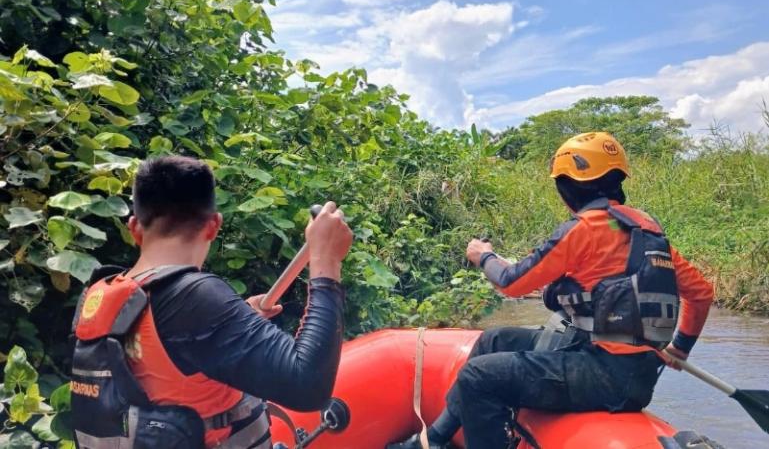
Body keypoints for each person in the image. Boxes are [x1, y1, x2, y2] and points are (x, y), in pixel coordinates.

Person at [389, 132, 714, 449]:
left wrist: (483, 256)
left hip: (606, 375)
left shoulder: (584, 229)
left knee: (478, 375)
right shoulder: (647, 230)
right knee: (493, 340)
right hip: (632, 372)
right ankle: (435, 439)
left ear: (566, 188)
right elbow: (700, 293)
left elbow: (511, 283)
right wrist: (680, 347)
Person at [70, 156, 353, 448]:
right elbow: (308, 387)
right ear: (213, 226)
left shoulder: (102, 296)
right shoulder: (194, 299)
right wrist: (326, 260)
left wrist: (237, 317)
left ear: (134, 228)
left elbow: (163, 358)